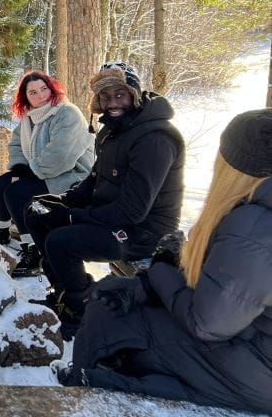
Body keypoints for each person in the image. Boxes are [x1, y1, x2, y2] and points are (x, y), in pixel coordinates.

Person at [57, 108, 272, 414]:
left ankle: (87, 396)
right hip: (251, 344)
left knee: (106, 311)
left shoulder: (254, 224)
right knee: (119, 293)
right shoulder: (255, 210)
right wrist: (147, 285)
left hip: (256, 367)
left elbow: (208, 323)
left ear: (235, 166)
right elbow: (231, 286)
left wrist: (160, 270)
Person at [24, 62, 184, 338]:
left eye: (119, 95)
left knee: (61, 241)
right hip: (112, 215)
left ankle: (79, 310)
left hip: (144, 232)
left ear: (134, 94)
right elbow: (95, 180)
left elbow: (132, 210)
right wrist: (63, 201)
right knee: (37, 212)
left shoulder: (154, 139)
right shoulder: (113, 130)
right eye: (105, 97)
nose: (112, 103)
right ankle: (67, 291)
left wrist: (72, 217)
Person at [0, 70, 94, 278]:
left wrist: (29, 172)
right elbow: (16, 144)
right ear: (25, 97)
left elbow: (60, 156)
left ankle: (34, 250)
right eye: (33, 92)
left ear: (52, 88)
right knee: (1, 184)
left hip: (71, 175)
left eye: (44, 89)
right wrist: (18, 168)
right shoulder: (29, 117)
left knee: (16, 192)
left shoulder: (67, 113)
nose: (40, 95)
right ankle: (0, 230)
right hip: (42, 171)